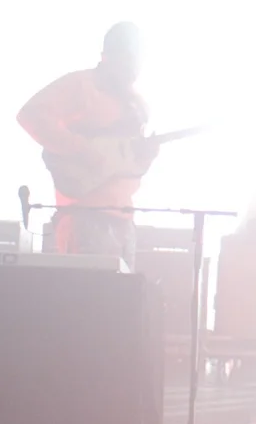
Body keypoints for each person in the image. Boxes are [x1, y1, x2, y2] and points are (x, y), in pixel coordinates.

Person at [19, 22, 157, 260]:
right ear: (109, 55)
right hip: (83, 217)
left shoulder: (138, 105)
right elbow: (30, 115)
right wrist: (81, 149)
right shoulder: (82, 85)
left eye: (139, 59)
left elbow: (126, 164)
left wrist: (146, 158)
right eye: (129, 57)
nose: (135, 66)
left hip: (123, 219)